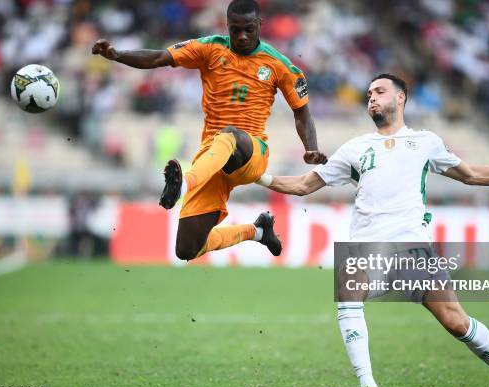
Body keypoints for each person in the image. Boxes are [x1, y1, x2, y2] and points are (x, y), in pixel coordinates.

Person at [256, 74, 489, 387]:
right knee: (348, 286)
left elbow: (471, 175)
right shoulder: (356, 148)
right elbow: (303, 184)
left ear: (400, 98)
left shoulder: (426, 142)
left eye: (380, 91)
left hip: (413, 246)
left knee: (457, 323)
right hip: (367, 246)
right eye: (369, 92)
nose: (371, 97)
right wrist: (259, 175)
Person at [92, 0, 326, 261]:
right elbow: (159, 57)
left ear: (260, 25)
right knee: (187, 248)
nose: (242, 36)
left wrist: (311, 148)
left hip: (251, 152)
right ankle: (258, 231)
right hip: (212, 159)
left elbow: (302, 111)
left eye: (248, 29)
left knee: (230, 134)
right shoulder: (210, 48)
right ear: (226, 26)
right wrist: (117, 55)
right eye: (235, 29)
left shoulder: (278, 64)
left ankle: (183, 186)